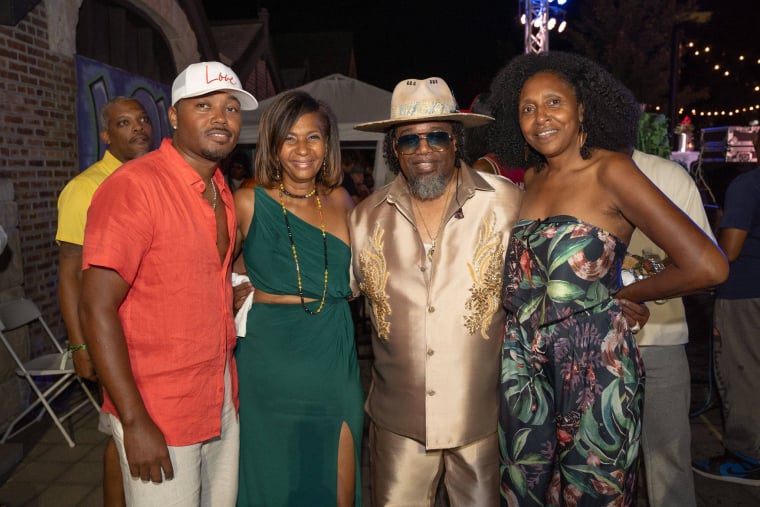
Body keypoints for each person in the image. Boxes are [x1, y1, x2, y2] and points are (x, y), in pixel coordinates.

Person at [487, 51, 728, 506]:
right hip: (525, 368)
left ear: (582, 109)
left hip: (594, 366)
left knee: (592, 492)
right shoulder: (532, 178)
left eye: (554, 102)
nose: (540, 117)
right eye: (527, 108)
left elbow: (708, 265)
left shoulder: (611, 170)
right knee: (524, 491)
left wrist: (621, 292)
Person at [78, 61, 258, 506]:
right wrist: (134, 420)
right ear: (174, 116)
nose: (221, 118)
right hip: (157, 406)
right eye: (204, 106)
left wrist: (225, 298)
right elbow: (96, 306)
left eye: (231, 107)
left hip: (218, 393)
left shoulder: (220, 188)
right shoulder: (134, 186)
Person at [349, 76, 523, 506]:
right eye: (409, 140)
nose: (423, 149)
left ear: (456, 141)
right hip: (398, 426)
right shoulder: (365, 218)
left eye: (437, 136)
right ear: (394, 149)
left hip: (480, 422)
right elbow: (336, 291)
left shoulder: (507, 204)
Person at [233, 90, 363, 507]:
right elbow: (209, 268)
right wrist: (230, 289)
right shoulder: (247, 202)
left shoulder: (342, 200)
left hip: (332, 352)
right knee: (273, 477)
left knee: (338, 479)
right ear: (272, 145)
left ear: (328, 144)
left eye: (313, 137)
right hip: (268, 360)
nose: (302, 149)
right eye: (289, 138)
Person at [56, 96, 153, 507]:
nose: (138, 127)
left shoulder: (154, 177)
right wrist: (80, 346)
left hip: (151, 332)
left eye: (142, 119)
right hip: (111, 333)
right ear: (106, 135)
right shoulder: (86, 188)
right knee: (121, 435)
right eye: (124, 122)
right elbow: (69, 272)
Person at [626, 148, 714, 506]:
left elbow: (704, 264)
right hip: (583, 345)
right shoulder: (564, 173)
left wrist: (633, 289)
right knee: (591, 466)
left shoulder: (666, 175)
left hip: (658, 340)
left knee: (668, 462)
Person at [692, 130, 760, 486]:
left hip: (745, 293)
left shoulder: (748, 184)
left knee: (742, 374)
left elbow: (729, 251)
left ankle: (748, 458)